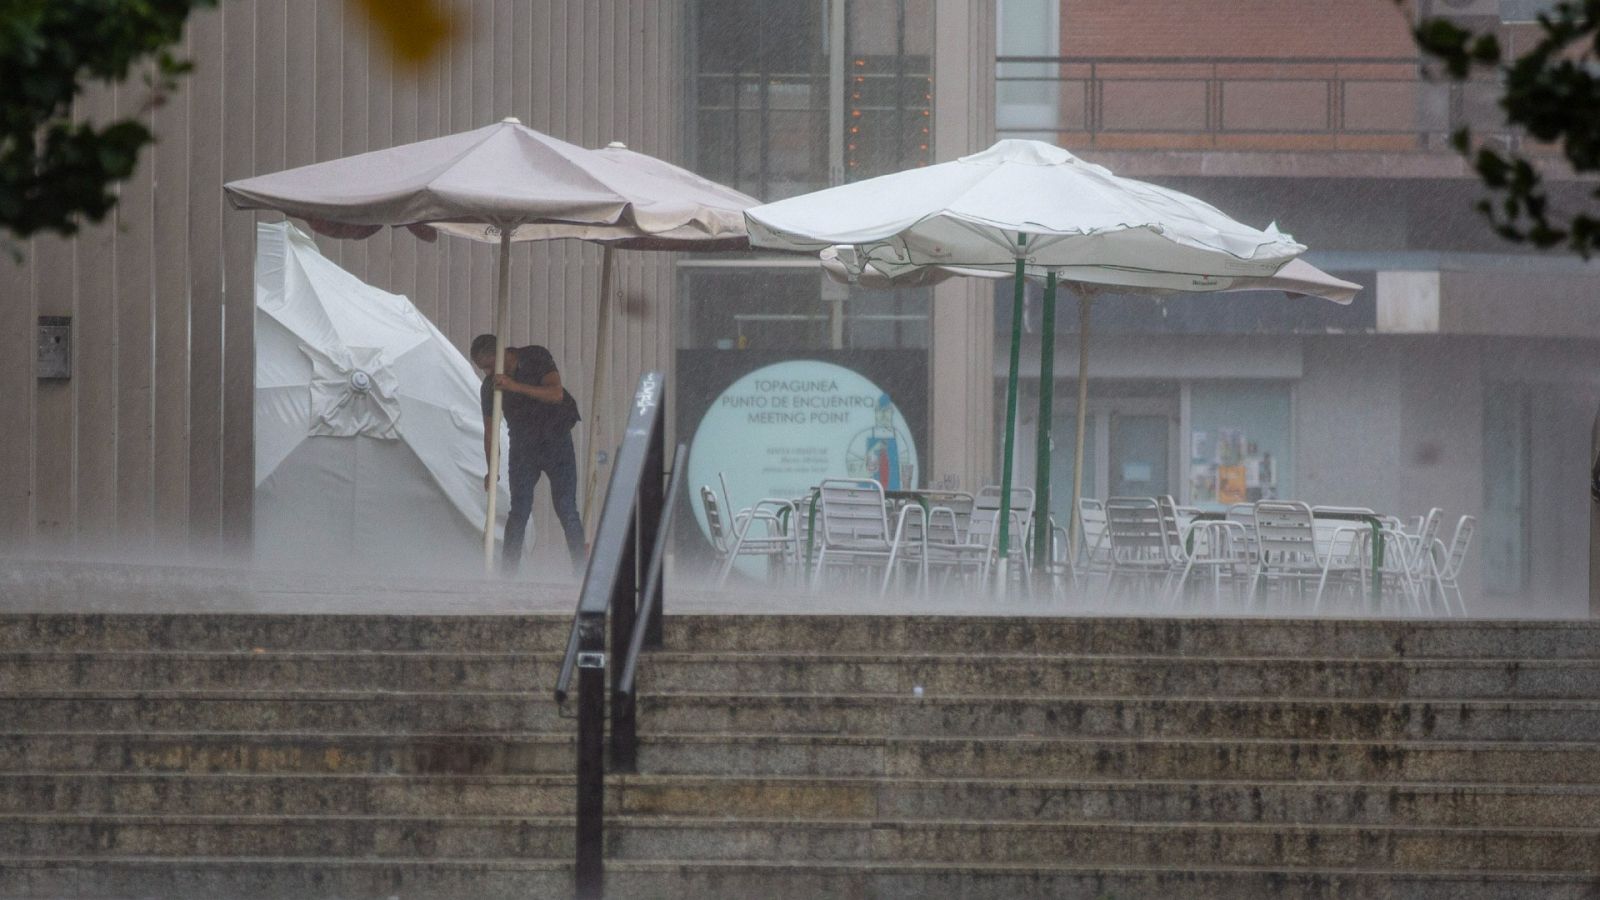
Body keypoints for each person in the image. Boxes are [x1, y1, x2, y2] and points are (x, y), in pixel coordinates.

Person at [471, 334, 585, 575]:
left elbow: (556, 393)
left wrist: (515, 387)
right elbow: (490, 431)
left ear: (503, 354)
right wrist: (493, 468)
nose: (488, 373)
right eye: (483, 369)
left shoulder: (535, 356)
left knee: (566, 507)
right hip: (524, 445)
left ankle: (581, 571)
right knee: (519, 509)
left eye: (490, 366)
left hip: (555, 439)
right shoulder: (490, 387)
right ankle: (508, 574)